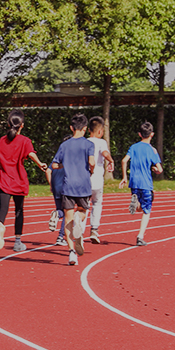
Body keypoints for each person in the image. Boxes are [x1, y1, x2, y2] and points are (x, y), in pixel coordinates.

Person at [0, 109, 47, 252]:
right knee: (19, 210)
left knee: (3, 209)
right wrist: (40, 163)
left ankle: (0, 224)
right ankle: (17, 242)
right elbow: (30, 154)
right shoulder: (25, 141)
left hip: (4, 179)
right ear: (22, 125)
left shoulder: (1, 142)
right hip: (18, 180)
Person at [51, 113, 95, 266]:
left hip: (68, 186)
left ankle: (71, 254)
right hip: (83, 185)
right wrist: (92, 169)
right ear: (85, 128)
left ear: (71, 128)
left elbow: (55, 165)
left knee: (67, 221)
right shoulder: (89, 144)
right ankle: (79, 217)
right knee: (82, 212)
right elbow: (92, 161)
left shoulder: (64, 145)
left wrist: (65, 165)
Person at [118, 120, 163, 247]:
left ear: (139, 134)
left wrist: (124, 177)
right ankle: (140, 236)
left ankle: (136, 203)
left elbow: (124, 160)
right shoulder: (152, 150)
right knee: (147, 211)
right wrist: (155, 169)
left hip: (134, 182)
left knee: (139, 205)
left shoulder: (133, 147)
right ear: (152, 134)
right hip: (146, 183)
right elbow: (160, 169)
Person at [84, 116, 114, 244]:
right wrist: (111, 160)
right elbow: (105, 153)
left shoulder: (84, 141)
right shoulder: (101, 142)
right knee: (96, 203)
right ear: (100, 131)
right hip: (97, 180)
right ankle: (94, 229)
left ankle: (79, 230)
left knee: (83, 205)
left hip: (85, 179)